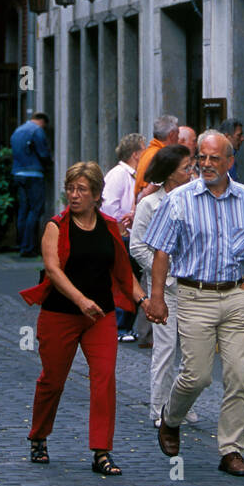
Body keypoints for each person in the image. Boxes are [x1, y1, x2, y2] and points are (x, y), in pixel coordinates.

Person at [145, 130, 244, 477]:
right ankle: (171, 418)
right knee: (197, 376)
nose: (207, 164)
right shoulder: (179, 199)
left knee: (239, 377)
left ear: (231, 161)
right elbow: (161, 251)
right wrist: (156, 297)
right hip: (194, 295)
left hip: (234, 295)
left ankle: (232, 450)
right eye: (202, 157)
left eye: (215, 158)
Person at [24, 162, 151, 475]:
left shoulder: (109, 227)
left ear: (97, 195)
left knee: (104, 379)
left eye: (82, 189)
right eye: (71, 188)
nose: (74, 195)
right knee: (53, 380)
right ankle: (38, 436)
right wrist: (81, 301)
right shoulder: (56, 225)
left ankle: (101, 451)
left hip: (101, 316)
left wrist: (144, 301)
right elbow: (52, 270)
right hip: (60, 314)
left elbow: (123, 272)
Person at [129, 144, 199, 424]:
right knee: (165, 349)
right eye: (186, 168)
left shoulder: (196, 199)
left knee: (193, 351)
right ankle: (159, 407)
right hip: (165, 288)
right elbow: (137, 247)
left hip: (193, 284)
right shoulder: (149, 204)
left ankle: (182, 405)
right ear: (171, 174)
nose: (192, 171)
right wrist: (163, 273)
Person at [102, 133, 146, 339]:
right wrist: (122, 227)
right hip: (122, 236)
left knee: (132, 278)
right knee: (124, 281)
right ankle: (119, 326)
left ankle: (125, 325)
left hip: (129, 235)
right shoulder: (119, 175)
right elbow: (109, 207)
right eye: (144, 150)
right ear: (136, 154)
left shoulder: (134, 175)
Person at [10, 111, 53, 257]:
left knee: (23, 209)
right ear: (42, 121)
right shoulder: (37, 131)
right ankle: (29, 247)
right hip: (33, 173)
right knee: (35, 210)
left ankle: (21, 243)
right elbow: (43, 153)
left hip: (18, 173)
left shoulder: (17, 131)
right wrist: (49, 163)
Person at [134, 114, 179, 197]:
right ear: (171, 135)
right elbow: (148, 191)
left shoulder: (148, 152)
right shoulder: (161, 156)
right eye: (178, 134)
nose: (179, 138)